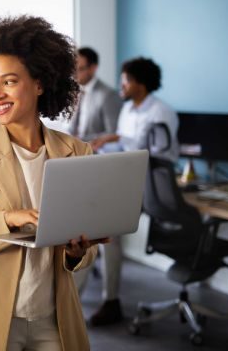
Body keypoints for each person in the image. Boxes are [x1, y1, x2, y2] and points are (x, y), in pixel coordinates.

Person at [0, 15, 105, 351]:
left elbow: (88, 252)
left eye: (9, 82)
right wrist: (9, 220)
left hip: (54, 317)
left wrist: (77, 253)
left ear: (40, 83)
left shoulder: (77, 151)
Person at [82, 57, 179, 326]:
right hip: (128, 181)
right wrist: (101, 145)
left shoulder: (161, 113)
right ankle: (85, 299)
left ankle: (110, 301)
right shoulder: (127, 111)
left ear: (139, 82)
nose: (120, 86)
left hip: (152, 186)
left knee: (106, 231)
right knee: (95, 228)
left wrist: (119, 139)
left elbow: (157, 152)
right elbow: (125, 150)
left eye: (125, 80)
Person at [69, 47, 122, 141]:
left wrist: (81, 139)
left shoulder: (108, 95)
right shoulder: (78, 92)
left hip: (95, 152)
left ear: (93, 68)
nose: (75, 74)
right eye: (73, 69)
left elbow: (112, 133)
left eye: (80, 69)